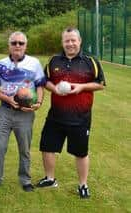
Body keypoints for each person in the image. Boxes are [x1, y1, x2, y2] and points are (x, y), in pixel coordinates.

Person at [35, 27, 106, 199]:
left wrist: (82, 87)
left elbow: (101, 84)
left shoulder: (91, 62)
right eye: (67, 40)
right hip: (56, 116)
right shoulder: (53, 61)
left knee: (81, 153)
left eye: (73, 40)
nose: (70, 43)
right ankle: (50, 179)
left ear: (79, 41)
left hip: (80, 118)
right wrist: (55, 89)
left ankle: (83, 185)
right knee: (47, 147)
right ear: (62, 42)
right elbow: (46, 81)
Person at [0, 31, 45, 192]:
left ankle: (25, 180)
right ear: (9, 45)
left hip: (25, 114)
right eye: (14, 43)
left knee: (24, 149)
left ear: (26, 45)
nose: (17, 46)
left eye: (21, 43)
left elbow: (40, 85)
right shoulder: (0, 64)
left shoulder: (34, 63)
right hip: (5, 111)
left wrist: (38, 102)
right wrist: (8, 99)